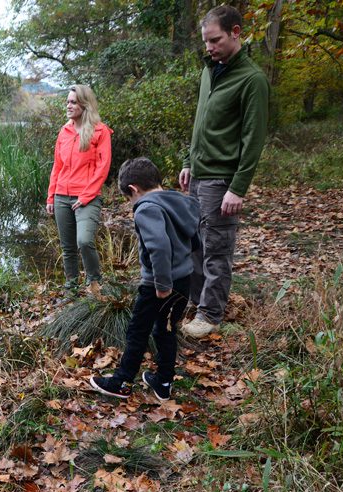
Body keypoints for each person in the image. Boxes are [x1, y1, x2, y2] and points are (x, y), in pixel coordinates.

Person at [179, 4, 269, 338]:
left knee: (217, 247)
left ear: (235, 32)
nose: (209, 48)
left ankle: (210, 315)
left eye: (215, 40)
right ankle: (195, 300)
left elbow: (253, 139)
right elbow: (199, 123)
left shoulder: (252, 80)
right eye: (205, 42)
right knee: (195, 243)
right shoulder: (209, 70)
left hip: (222, 180)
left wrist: (238, 187)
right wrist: (189, 162)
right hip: (199, 174)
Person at [89, 158, 200, 401]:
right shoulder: (180, 201)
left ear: (133, 189)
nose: (131, 204)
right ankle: (163, 381)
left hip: (158, 285)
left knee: (138, 330)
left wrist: (161, 284)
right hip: (183, 279)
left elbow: (159, 247)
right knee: (166, 329)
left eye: (129, 199)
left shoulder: (147, 208)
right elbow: (194, 234)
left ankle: (121, 382)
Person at [45, 84, 113, 296]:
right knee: (67, 248)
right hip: (62, 197)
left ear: (85, 105)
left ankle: (94, 283)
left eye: (73, 102)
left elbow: (103, 167)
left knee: (84, 241)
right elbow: (57, 166)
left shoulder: (100, 131)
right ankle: (71, 288)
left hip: (88, 197)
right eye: (67, 101)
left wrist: (86, 196)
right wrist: (51, 196)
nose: (68, 105)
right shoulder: (64, 132)